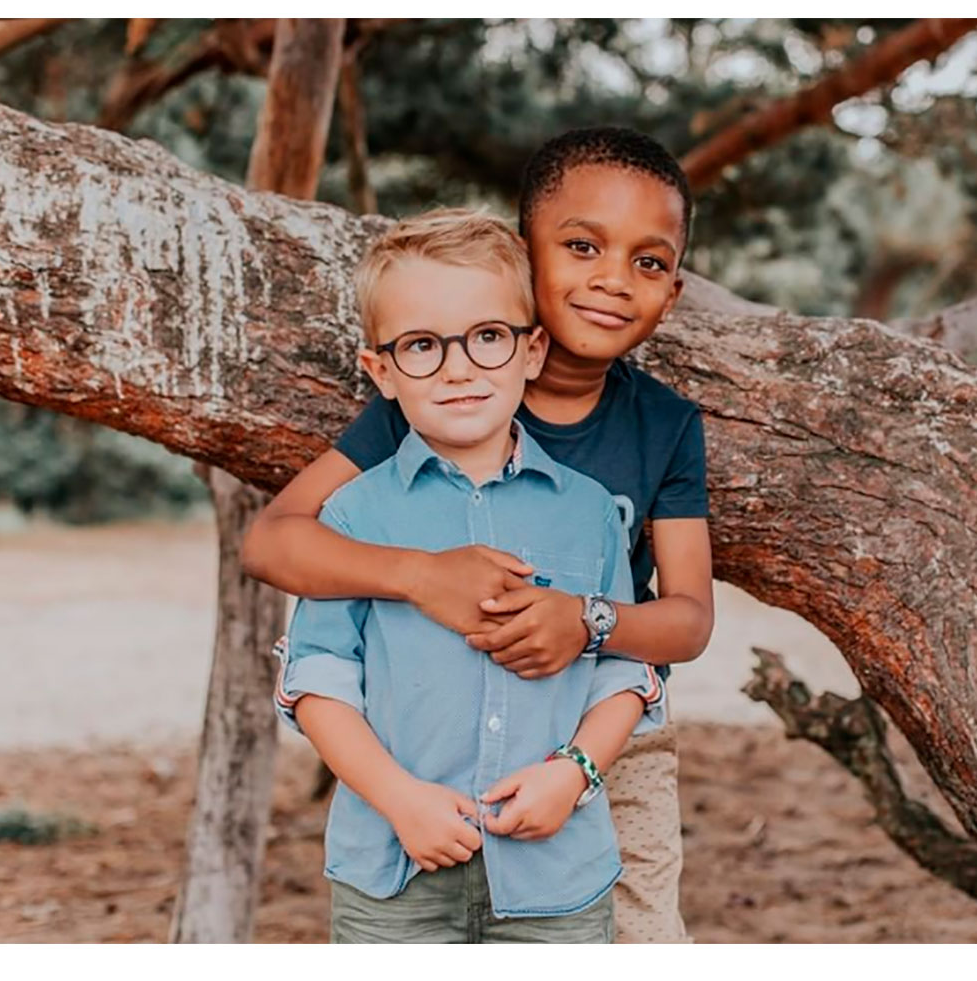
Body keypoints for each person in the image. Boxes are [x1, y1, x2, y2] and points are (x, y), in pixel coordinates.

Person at [244, 127, 713, 944]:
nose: (611, 280)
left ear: (673, 289)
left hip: (602, 733)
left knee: (641, 936)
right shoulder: (435, 397)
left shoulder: (657, 430)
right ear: (527, 262)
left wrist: (587, 622)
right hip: (422, 761)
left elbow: (686, 621)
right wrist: (421, 575)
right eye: (581, 247)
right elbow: (277, 542)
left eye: (648, 262)